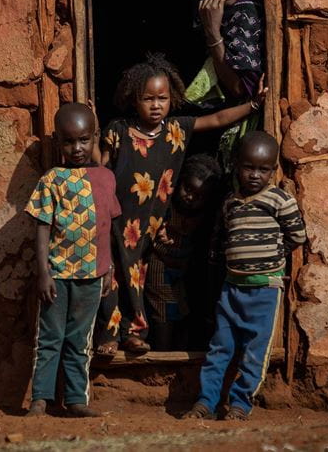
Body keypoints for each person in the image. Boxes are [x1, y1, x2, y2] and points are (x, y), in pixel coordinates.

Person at [94, 53, 266, 357]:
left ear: (172, 97)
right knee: (111, 278)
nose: (156, 105)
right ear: (134, 100)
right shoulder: (119, 132)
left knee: (138, 279)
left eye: (162, 98)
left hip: (149, 227)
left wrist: (253, 106)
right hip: (118, 221)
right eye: (148, 98)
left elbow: (216, 119)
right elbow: (101, 172)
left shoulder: (175, 131)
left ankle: (134, 334)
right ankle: (108, 337)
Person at [181, 131, 306, 421]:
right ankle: (206, 402)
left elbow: (296, 236)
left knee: (254, 353)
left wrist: (271, 256)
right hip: (231, 289)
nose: (254, 175)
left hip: (264, 290)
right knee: (219, 348)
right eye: (249, 167)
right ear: (237, 165)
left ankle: (240, 404)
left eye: (263, 170)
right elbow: (225, 239)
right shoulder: (231, 203)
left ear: (273, 170)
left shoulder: (279, 201)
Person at [24, 103, 121, 418]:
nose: (76, 148)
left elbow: (107, 227)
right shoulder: (51, 179)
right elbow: (42, 228)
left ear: (95, 137)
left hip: (92, 275)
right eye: (68, 142)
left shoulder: (106, 178)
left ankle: (77, 399)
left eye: (83, 140)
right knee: (50, 337)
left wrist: (108, 269)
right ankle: (41, 398)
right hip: (58, 274)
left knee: (79, 340)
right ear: (57, 142)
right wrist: (43, 273)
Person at [186, 0, 265, 168]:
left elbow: (241, 88)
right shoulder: (226, 15)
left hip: (248, 128)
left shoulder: (245, 13)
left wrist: (212, 32)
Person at [145, 154, 222, 351]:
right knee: (164, 309)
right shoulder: (164, 207)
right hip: (159, 266)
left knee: (183, 311)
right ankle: (162, 356)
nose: (191, 198)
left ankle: (177, 354)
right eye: (188, 189)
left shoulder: (204, 217)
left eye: (199, 196)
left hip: (183, 270)